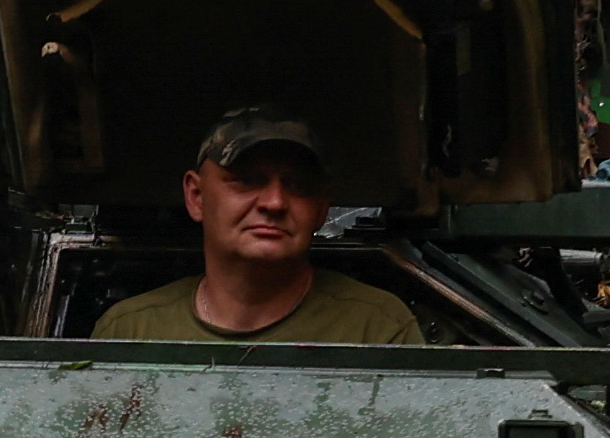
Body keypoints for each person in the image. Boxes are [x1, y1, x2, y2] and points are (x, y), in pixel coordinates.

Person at [89, 109, 431, 345]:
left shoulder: (375, 329)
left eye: (298, 185)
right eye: (247, 181)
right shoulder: (131, 331)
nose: (275, 203)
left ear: (322, 208)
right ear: (196, 196)